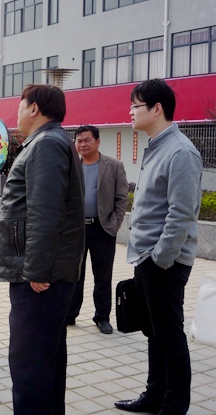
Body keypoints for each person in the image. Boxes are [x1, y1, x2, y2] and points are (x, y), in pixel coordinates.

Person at [0, 84, 85, 415]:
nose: (16, 112)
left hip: (40, 278)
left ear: (34, 108)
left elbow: (45, 211)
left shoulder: (47, 144)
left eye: (20, 105)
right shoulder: (49, 141)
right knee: (45, 362)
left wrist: (37, 269)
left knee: (31, 366)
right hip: (44, 272)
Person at [114, 79, 202, 415]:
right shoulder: (156, 146)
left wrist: (160, 259)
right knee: (154, 332)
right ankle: (154, 395)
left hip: (164, 261)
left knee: (169, 335)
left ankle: (175, 405)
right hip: (146, 257)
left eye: (135, 105)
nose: (130, 111)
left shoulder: (180, 152)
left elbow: (181, 214)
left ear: (157, 109)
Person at [66, 125, 128, 334]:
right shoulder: (71, 166)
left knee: (103, 276)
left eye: (87, 140)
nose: (82, 144)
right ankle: (70, 314)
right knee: (75, 275)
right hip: (76, 230)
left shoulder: (114, 166)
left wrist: (114, 224)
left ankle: (102, 317)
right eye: (79, 141)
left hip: (103, 229)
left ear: (98, 141)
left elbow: (122, 199)